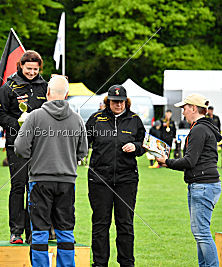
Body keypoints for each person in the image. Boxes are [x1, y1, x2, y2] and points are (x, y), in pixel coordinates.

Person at [14, 75, 88, 266]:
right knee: (65, 230)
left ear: (47, 93)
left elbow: (20, 148)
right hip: (67, 182)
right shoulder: (77, 119)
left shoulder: (34, 117)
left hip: (40, 180)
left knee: (39, 231)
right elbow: (83, 151)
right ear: (67, 94)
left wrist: (37, 155)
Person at [156, 94, 222, 267]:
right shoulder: (203, 127)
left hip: (203, 185)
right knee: (200, 233)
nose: (183, 112)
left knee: (202, 233)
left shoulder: (199, 129)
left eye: (184, 108)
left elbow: (189, 161)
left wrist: (166, 162)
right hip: (203, 184)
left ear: (193, 108)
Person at [85, 85, 146, 267]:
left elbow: (144, 144)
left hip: (126, 180)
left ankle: (127, 263)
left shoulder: (135, 120)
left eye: (121, 102)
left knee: (125, 224)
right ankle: (99, 263)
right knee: (100, 224)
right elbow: (82, 143)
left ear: (126, 102)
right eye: (114, 101)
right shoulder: (96, 119)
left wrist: (136, 147)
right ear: (108, 101)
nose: (118, 105)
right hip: (99, 180)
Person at [0, 50, 48, 244]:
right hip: (16, 145)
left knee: (38, 188)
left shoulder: (45, 87)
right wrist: (18, 123)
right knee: (19, 187)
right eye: (29, 68)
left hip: (41, 146)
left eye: (35, 69)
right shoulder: (8, 86)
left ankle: (36, 232)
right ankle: (16, 232)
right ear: (21, 66)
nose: (32, 72)